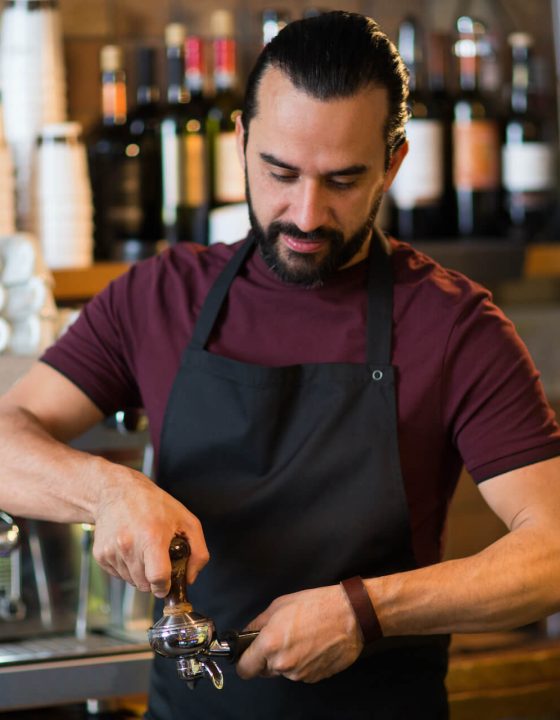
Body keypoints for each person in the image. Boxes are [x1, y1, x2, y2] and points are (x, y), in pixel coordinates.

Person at [1, 10, 560, 719]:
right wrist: (105, 491)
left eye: (343, 181)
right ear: (240, 141)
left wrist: (365, 610)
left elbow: (552, 555)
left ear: (393, 163)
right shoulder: (160, 295)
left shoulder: (454, 325)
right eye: (280, 172)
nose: (305, 213)